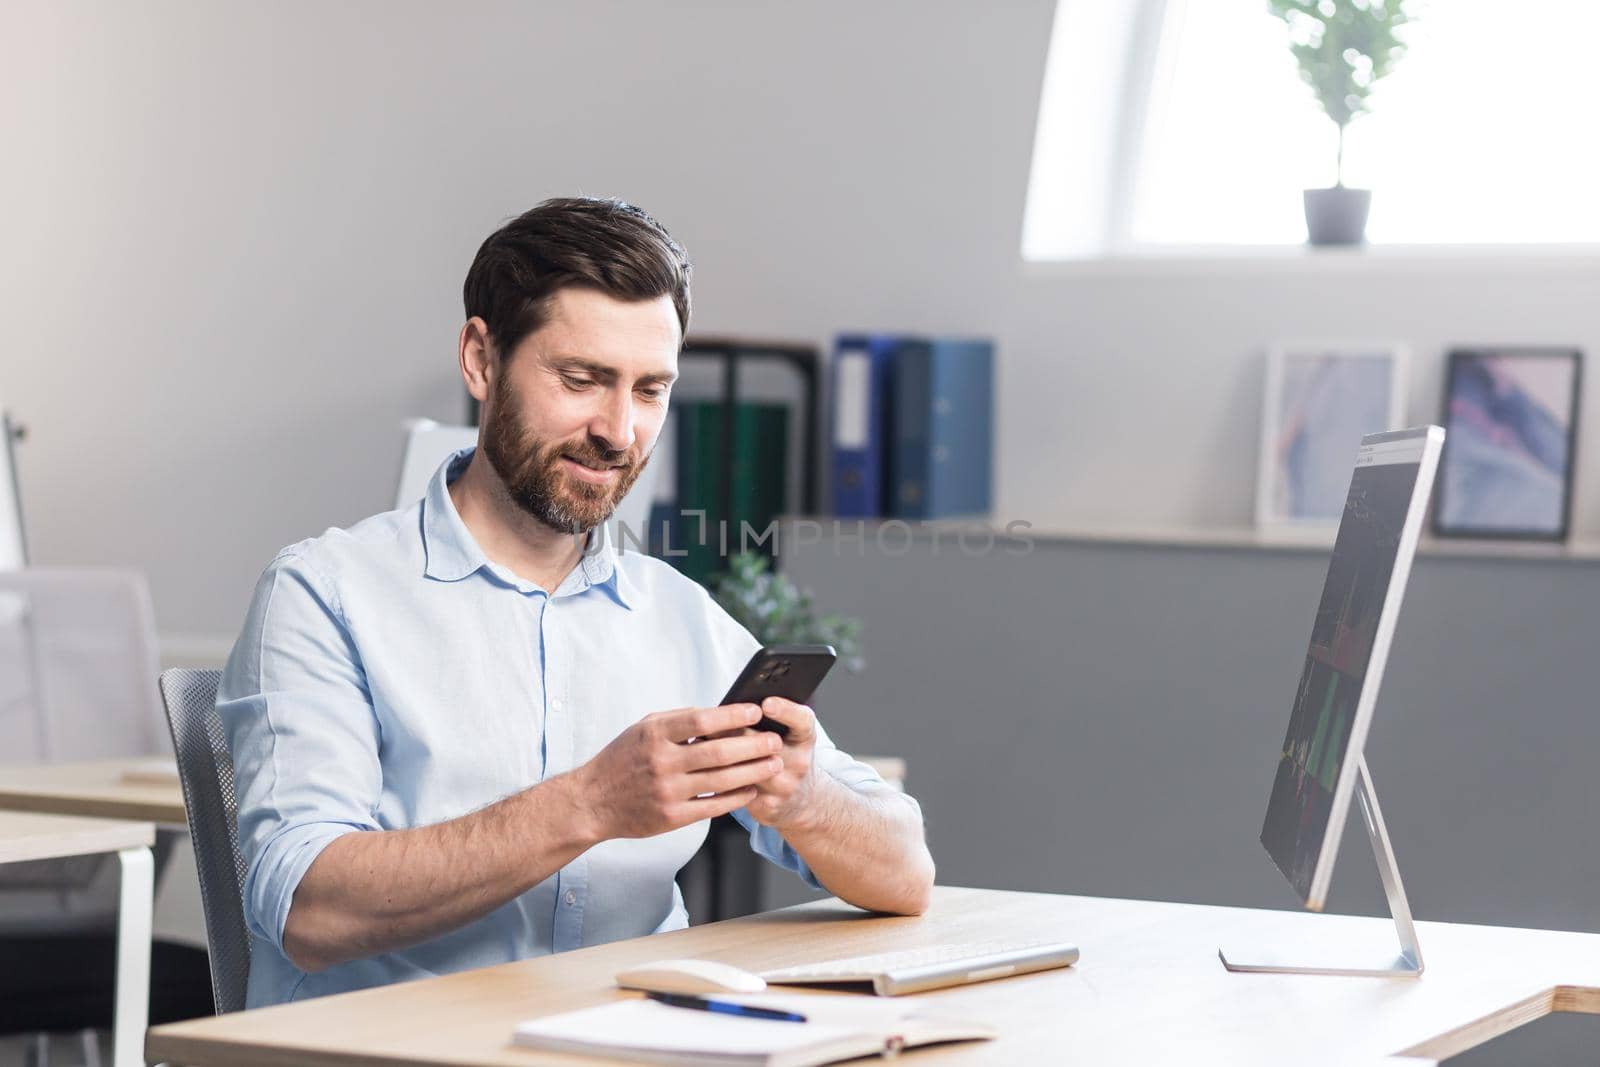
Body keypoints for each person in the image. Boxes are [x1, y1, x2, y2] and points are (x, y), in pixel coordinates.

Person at [219, 197, 934, 1007]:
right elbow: (307, 906)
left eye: (650, 390)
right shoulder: (324, 593)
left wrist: (800, 795)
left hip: (635, 1046)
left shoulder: (678, 615)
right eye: (582, 379)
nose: (620, 430)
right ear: (482, 360)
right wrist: (591, 803)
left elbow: (908, 871)